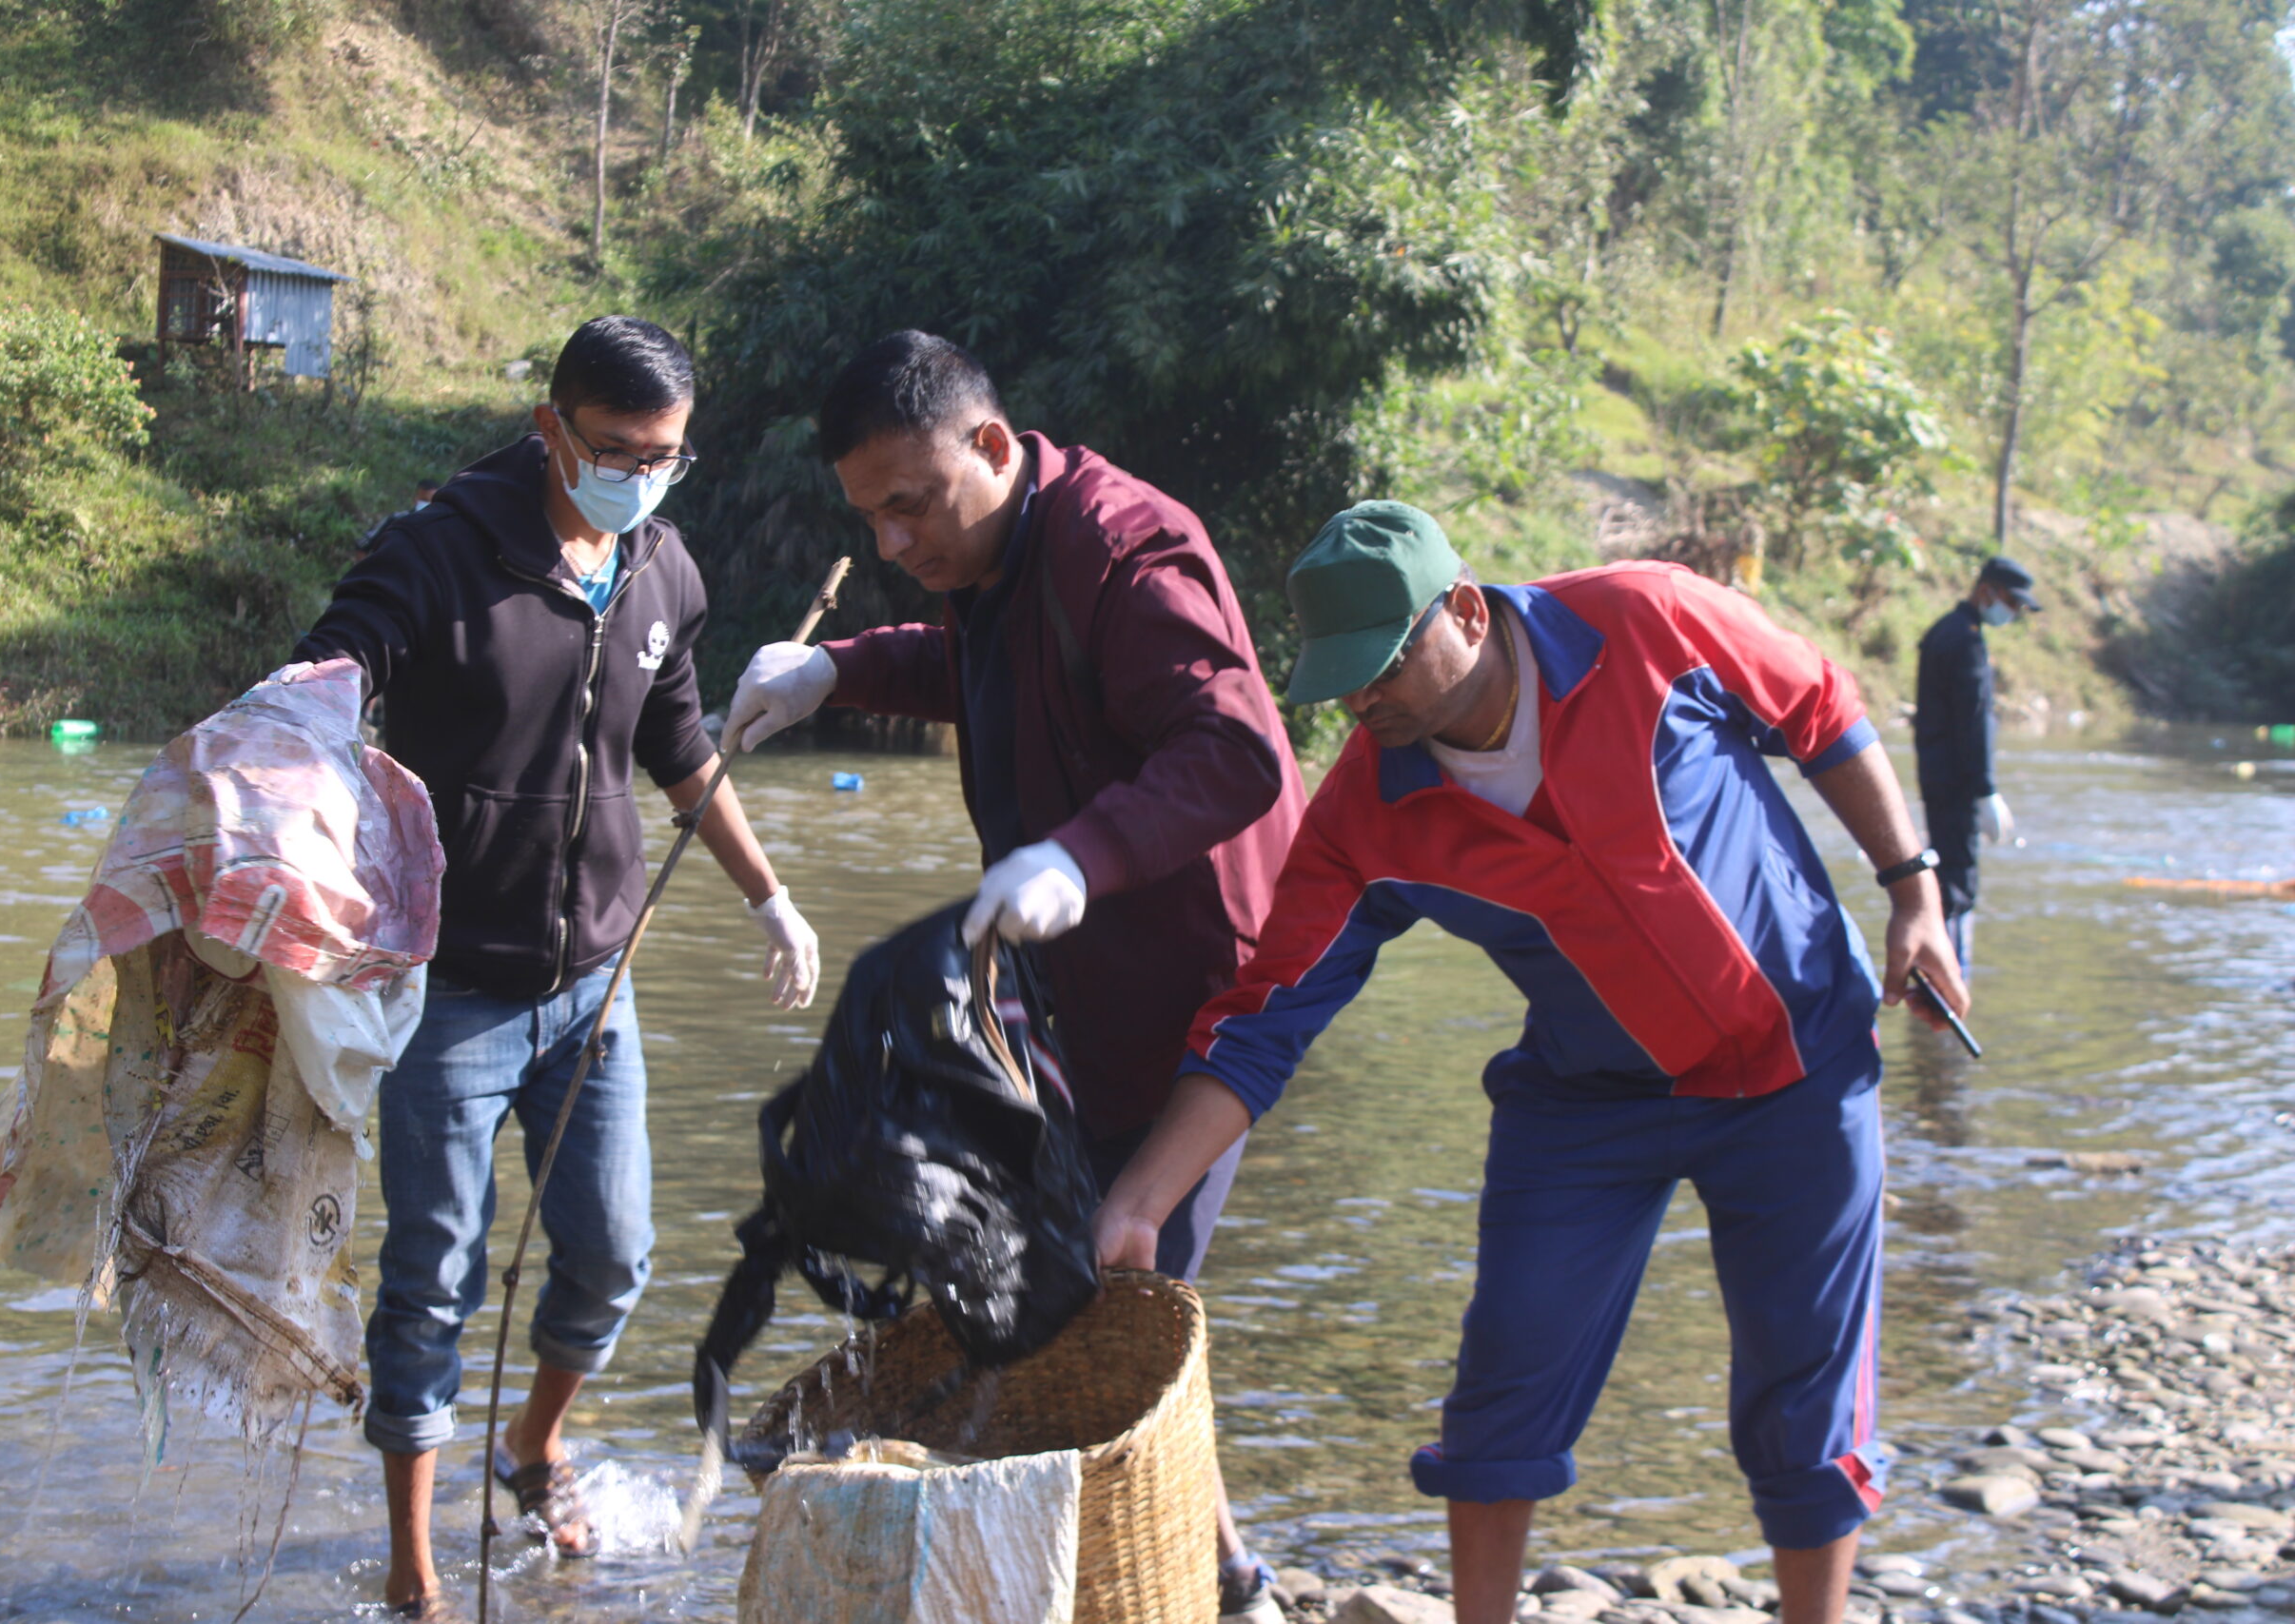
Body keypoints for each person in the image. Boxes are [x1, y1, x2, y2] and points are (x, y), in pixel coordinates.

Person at [1091, 502, 1971, 1624]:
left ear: (1463, 610)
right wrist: (1141, 1199)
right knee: (1504, 1385)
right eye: (1342, 682)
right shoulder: (1369, 811)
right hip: (1584, 1106)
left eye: (1384, 667)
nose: (1364, 703)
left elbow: (1819, 706)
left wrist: (1912, 890)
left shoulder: (1644, 620)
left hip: (1797, 1063)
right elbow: (1266, 1016)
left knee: (1804, 1394)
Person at [722, 330, 1306, 1624]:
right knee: (1054, 1288)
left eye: (909, 504)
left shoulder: (1123, 547)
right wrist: (835, 670)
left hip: (1199, 997)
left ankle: (1189, 1589)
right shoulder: (989, 557)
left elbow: (1235, 751)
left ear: (991, 445)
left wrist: (1082, 857)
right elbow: (965, 667)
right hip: (1072, 991)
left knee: (1113, 1300)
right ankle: (1221, 1578)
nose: (892, 541)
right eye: (870, 517)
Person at [294, 316, 822, 1617]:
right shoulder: (438, 552)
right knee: (433, 1277)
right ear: (552, 429)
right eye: (616, 449)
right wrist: (288, 735)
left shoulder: (660, 566)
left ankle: (534, 1444)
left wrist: (771, 896)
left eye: (665, 456)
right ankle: (416, 1572)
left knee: (613, 1251)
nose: (639, 477)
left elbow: (680, 746)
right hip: (448, 995)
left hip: (595, 981)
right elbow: (337, 661)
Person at [1913, 555, 2038, 970]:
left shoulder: (1946, 630)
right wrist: (1984, 789)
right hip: (1956, 780)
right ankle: (1949, 978)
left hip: (1939, 774)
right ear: (1986, 591)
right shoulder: (1964, 641)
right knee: (1957, 880)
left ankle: (1941, 975)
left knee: (1947, 869)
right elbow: (1972, 722)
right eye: (2011, 602)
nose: (2013, 612)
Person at [360, 478, 442, 558]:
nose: (428, 505)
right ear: (415, 499)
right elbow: (362, 546)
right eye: (424, 500)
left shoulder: (441, 529)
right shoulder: (395, 520)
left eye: (432, 502)